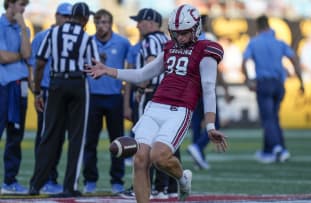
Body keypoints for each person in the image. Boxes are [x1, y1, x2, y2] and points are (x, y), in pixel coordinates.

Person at [85, 4, 228, 203]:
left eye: (185, 32)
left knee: (159, 156)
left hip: (179, 110)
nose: (181, 38)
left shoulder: (206, 49)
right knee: (140, 159)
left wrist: (211, 125)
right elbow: (143, 73)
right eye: (176, 33)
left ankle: (182, 178)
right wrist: (110, 70)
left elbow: (209, 86)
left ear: (196, 28)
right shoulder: (170, 47)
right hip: (155, 106)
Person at [29, 2, 100, 197]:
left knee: (49, 134)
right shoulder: (86, 37)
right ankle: (70, 186)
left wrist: (37, 92)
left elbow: (41, 62)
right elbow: (95, 69)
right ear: (85, 19)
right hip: (78, 84)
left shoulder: (53, 33)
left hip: (56, 83)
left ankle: (36, 184)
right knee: (77, 137)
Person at [125, 8, 178, 199]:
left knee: (144, 140)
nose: (137, 25)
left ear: (150, 22)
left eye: (140, 21)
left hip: (151, 94)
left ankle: (149, 186)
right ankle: (169, 187)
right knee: (167, 140)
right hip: (170, 95)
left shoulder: (149, 41)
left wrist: (140, 88)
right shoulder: (168, 40)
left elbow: (149, 66)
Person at [241, 15, 304, 164]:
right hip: (279, 83)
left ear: (258, 26)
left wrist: (248, 81)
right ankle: (268, 151)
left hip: (264, 83)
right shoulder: (279, 42)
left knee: (268, 119)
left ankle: (277, 148)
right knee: (274, 118)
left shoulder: (254, 42)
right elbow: (294, 59)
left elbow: (244, 62)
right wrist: (301, 81)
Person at [82, 9, 131, 194]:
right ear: (94, 24)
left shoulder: (123, 42)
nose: (102, 26)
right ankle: (89, 180)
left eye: (105, 22)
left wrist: (127, 93)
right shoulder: (87, 42)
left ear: (110, 23)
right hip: (92, 96)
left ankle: (117, 180)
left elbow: (132, 65)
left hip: (114, 97)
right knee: (90, 142)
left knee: (118, 141)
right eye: (99, 22)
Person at [28, 2, 72, 195]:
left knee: (59, 136)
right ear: (56, 16)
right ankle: (41, 179)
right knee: (46, 136)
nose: (67, 20)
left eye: (70, 17)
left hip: (63, 92)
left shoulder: (72, 38)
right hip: (47, 91)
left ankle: (50, 177)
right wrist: (36, 90)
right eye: (64, 16)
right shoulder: (42, 36)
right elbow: (34, 64)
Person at [187, 14, 233, 170]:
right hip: (205, 85)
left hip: (191, 86)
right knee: (214, 122)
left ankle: (198, 157)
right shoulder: (207, 40)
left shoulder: (189, 40)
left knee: (196, 123)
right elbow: (214, 67)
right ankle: (198, 148)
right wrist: (225, 87)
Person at [0, 0, 31, 195]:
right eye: (20, 5)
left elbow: (27, 54)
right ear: (9, 4)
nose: (23, 9)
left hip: (21, 86)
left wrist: (22, 28)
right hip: (3, 86)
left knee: (15, 136)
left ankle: (10, 181)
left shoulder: (23, 28)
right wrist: (19, 54)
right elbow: (2, 57)